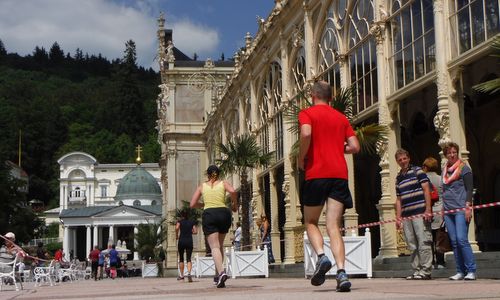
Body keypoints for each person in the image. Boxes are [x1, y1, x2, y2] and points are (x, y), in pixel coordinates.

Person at [298, 80, 360, 292]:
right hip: (339, 175)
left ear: (313, 96)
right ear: (331, 98)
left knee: (311, 221)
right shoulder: (341, 118)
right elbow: (355, 146)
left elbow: (306, 134)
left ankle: (322, 257)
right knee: (333, 225)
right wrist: (338, 147)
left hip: (316, 174)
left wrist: (302, 157)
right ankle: (341, 272)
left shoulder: (307, 113)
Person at [190, 165, 238, 288]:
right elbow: (233, 191)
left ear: (208, 174)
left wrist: (203, 205)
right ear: (218, 173)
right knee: (220, 245)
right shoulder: (223, 183)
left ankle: (221, 273)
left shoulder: (202, 186)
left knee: (214, 247)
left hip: (210, 214)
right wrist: (234, 204)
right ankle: (217, 275)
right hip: (223, 213)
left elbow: (192, 204)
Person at [395, 149, 433, 280]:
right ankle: (416, 270)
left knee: (423, 242)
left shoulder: (418, 171)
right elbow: (399, 199)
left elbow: (426, 189)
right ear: (397, 162)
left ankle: (426, 270)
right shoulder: (398, 178)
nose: (402, 161)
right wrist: (398, 217)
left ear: (408, 158)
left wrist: (428, 209)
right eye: (400, 160)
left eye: (404, 158)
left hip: (420, 212)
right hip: (406, 215)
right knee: (411, 244)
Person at [441, 142, 477, 280]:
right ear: (446, 155)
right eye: (449, 152)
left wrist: (468, 207)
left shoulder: (464, 169)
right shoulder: (445, 170)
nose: (452, 154)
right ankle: (460, 271)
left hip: (462, 208)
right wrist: (443, 210)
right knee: (454, 241)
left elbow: (469, 189)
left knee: (462, 240)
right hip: (448, 210)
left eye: (454, 152)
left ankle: (471, 270)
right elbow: (443, 191)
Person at [422, 157, 446, 269]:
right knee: (439, 238)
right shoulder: (441, 179)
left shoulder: (423, 179)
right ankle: (440, 262)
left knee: (428, 238)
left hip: (428, 211)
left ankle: (430, 262)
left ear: (426, 167)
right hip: (440, 211)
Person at [176, 210, 197, 282]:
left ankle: (182, 275)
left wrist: (177, 235)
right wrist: (190, 232)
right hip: (189, 241)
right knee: (189, 258)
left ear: (181, 216)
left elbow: (176, 228)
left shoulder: (180, 222)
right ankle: (189, 273)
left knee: (181, 258)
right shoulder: (191, 222)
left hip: (181, 241)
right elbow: (195, 231)